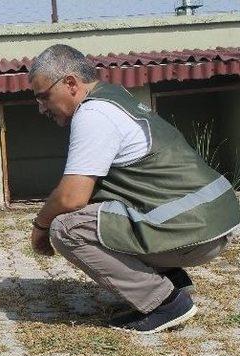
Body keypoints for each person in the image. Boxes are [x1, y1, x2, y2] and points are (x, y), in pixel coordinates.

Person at [28, 44, 240, 334]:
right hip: (212, 220)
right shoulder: (115, 97)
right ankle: (171, 280)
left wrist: (40, 226)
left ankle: (164, 303)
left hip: (197, 229)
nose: (42, 108)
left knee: (66, 228)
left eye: (43, 97)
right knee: (97, 214)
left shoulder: (93, 115)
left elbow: (71, 196)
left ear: (70, 83)